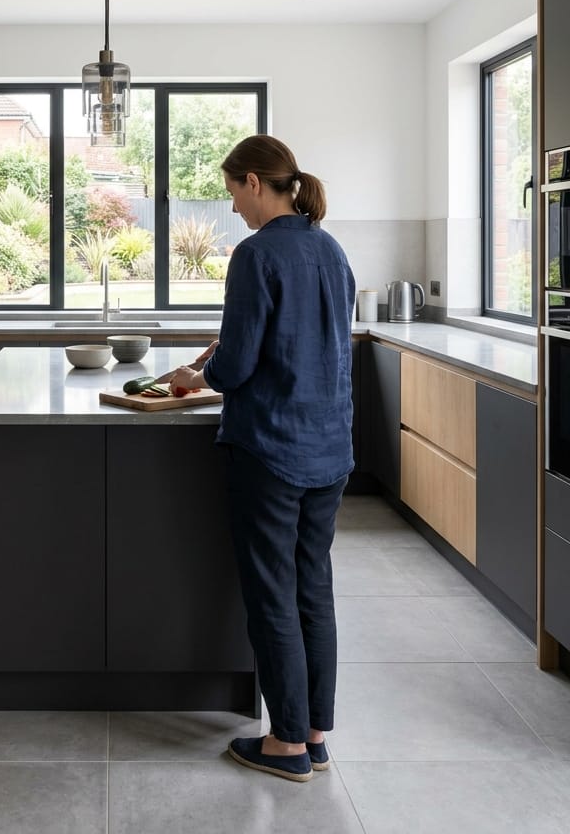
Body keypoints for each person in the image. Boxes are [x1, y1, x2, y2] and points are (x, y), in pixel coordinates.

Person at [170, 135, 355, 783]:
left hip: (272, 450)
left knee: (273, 594)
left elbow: (238, 366)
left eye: (232, 194)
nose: (233, 209)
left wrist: (198, 376)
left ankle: (284, 744)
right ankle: (313, 734)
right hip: (329, 447)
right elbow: (306, 342)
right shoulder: (330, 249)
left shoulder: (256, 254)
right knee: (313, 590)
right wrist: (229, 348)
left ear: (253, 182)